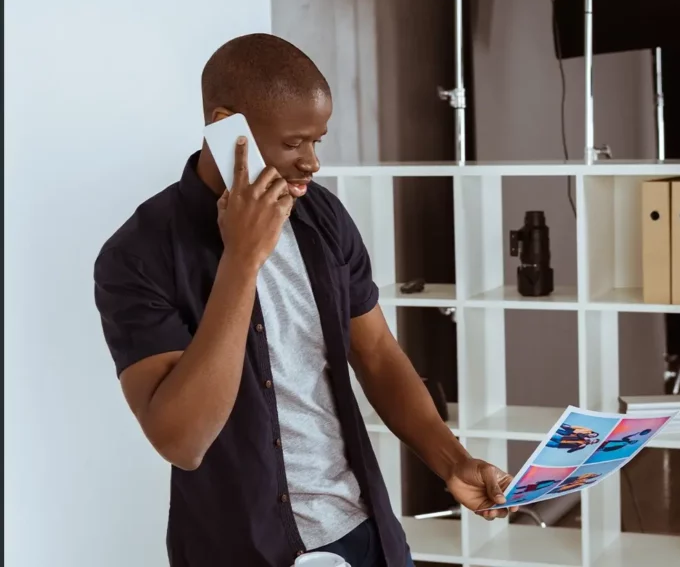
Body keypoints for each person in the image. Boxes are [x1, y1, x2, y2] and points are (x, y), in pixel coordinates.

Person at [93, 33, 515, 567]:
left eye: (318, 140)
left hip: (365, 535)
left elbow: (379, 354)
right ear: (227, 126)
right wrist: (242, 262)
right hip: (241, 549)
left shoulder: (325, 218)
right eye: (294, 144)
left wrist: (451, 459)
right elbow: (183, 441)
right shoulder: (139, 254)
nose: (311, 163)